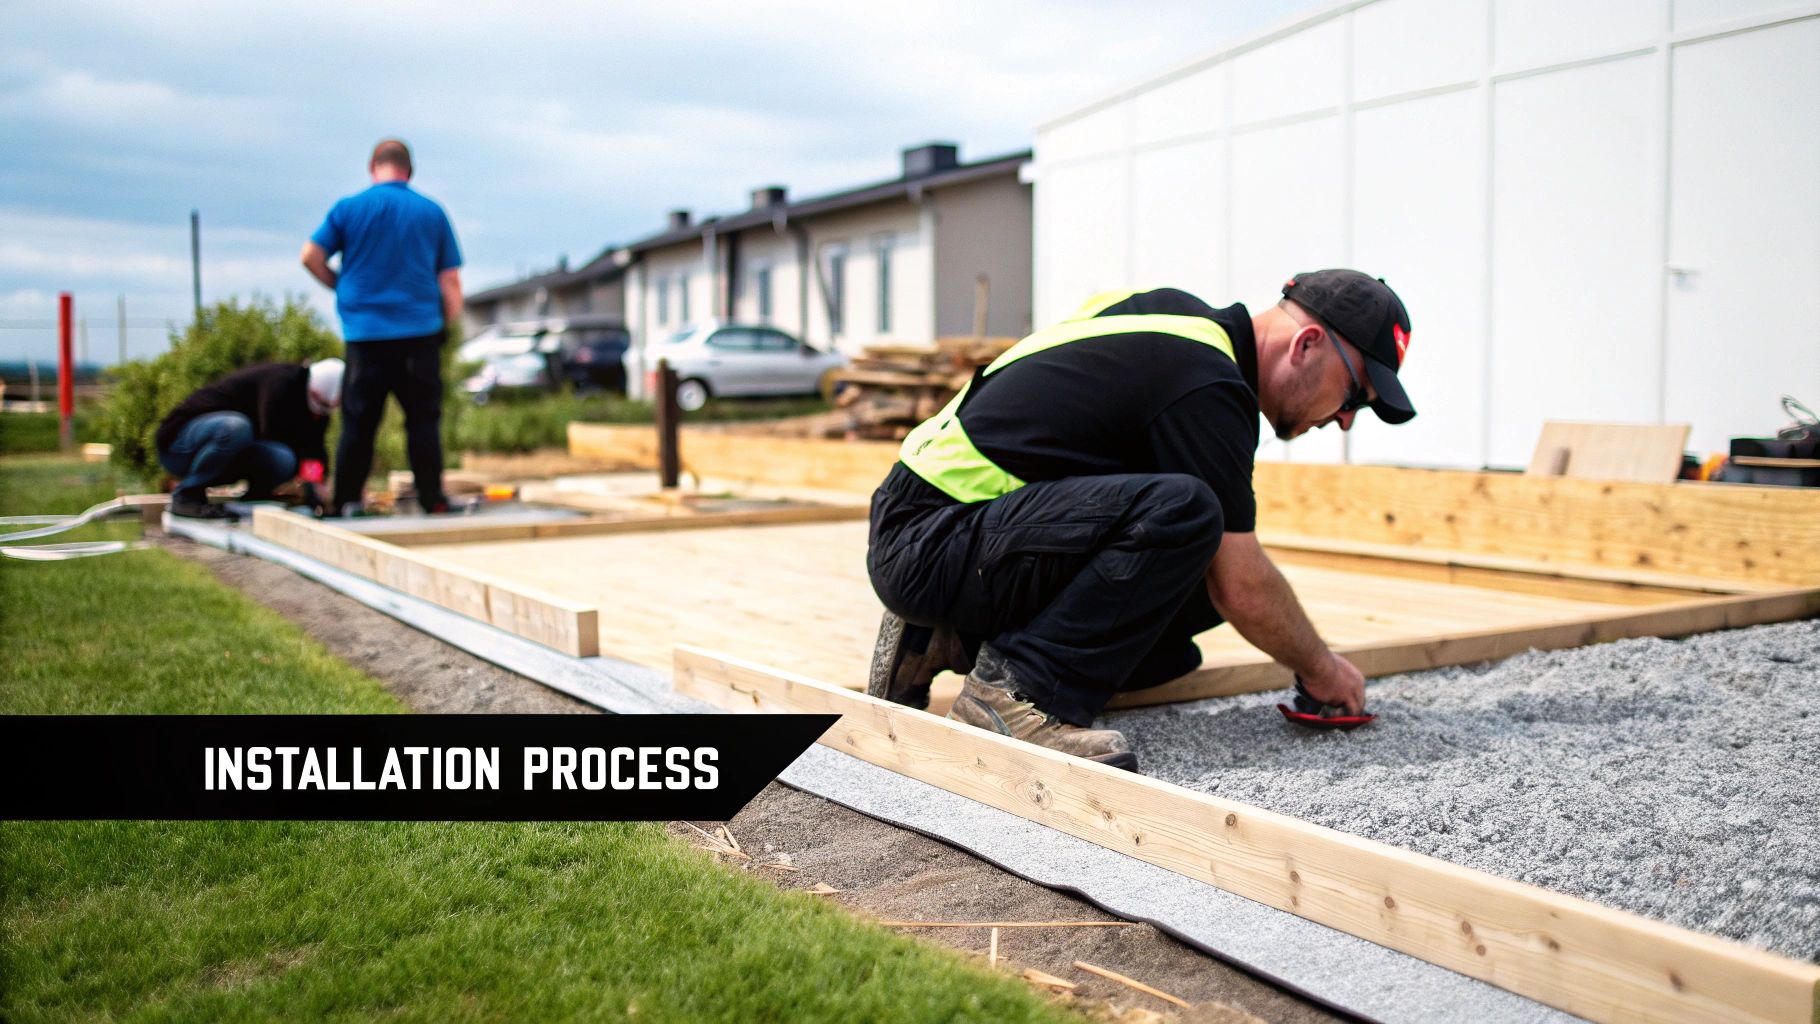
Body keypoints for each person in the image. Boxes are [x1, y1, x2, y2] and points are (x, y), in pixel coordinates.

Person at [865, 270, 1415, 772]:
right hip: (933, 539)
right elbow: (1243, 586)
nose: (1344, 421)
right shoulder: (1208, 383)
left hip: (933, 528)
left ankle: (949, 634)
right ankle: (1015, 698)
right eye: (1354, 396)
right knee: (1190, 516)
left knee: (1177, 622)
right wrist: (1322, 670)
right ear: (1307, 344)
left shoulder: (1173, 318)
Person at [301, 138, 462, 515]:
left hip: (365, 335)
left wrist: (340, 285)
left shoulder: (349, 208)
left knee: (358, 422)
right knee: (423, 422)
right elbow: (451, 284)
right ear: (409, 170)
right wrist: (444, 327)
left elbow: (310, 255)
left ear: (373, 167)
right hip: (419, 336)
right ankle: (432, 501)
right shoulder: (431, 212)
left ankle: (345, 502)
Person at [156, 359, 343, 519]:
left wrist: (316, 489)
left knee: (284, 459)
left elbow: (313, 451)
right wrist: (305, 475)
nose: (319, 417)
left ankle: (255, 497)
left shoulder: (317, 411)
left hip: (225, 454)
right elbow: (270, 433)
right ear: (315, 393)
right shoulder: (281, 382)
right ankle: (187, 497)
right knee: (237, 427)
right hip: (179, 447)